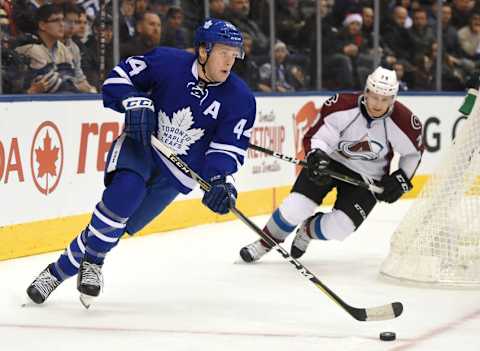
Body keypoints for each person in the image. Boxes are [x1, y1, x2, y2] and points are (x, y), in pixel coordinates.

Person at [26, 18, 256, 307]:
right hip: (142, 147)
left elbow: (225, 150)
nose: (229, 60)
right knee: (121, 200)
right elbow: (117, 79)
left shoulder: (241, 99)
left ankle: (59, 269)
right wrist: (134, 100)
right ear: (202, 51)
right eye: (223, 52)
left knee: (115, 227)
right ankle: (84, 265)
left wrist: (221, 182)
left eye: (234, 54)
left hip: (177, 175)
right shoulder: (166, 62)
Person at [240, 66, 423, 262]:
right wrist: (317, 155)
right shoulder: (342, 105)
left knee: (341, 228)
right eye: (374, 96)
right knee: (295, 208)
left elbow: (413, 153)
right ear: (366, 91)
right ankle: (263, 243)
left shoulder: (405, 122)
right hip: (331, 161)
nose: (378, 104)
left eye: (384, 99)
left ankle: (308, 230)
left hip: (368, 176)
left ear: (393, 99)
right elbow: (320, 137)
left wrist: (402, 178)